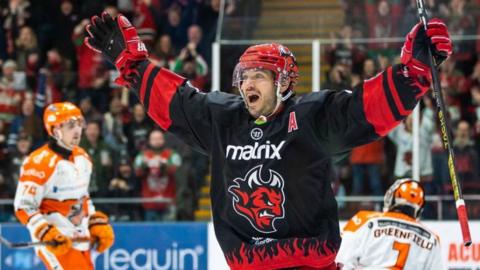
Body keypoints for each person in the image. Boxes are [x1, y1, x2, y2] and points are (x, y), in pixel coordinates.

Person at [84, 13, 452, 269]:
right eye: (243, 76)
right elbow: (176, 102)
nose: (247, 84)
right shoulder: (223, 118)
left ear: (284, 82)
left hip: (310, 260)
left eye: (258, 75)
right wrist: (131, 63)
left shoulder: (312, 117)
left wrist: (411, 74)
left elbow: (365, 109)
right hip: (249, 263)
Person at [13, 102, 115, 270]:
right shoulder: (39, 162)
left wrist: (94, 221)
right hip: (57, 241)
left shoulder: (83, 158)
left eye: (79, 124)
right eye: (70, 126)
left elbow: (83, 198)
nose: (77, 130)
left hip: (80, 237)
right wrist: (45, 231)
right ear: (54, 131)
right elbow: (23, 206)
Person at [336, 178, 442, 269]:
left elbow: (341, 259)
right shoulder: (432, 239)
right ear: (419, 208)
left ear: (392, 197)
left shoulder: (364, 219)